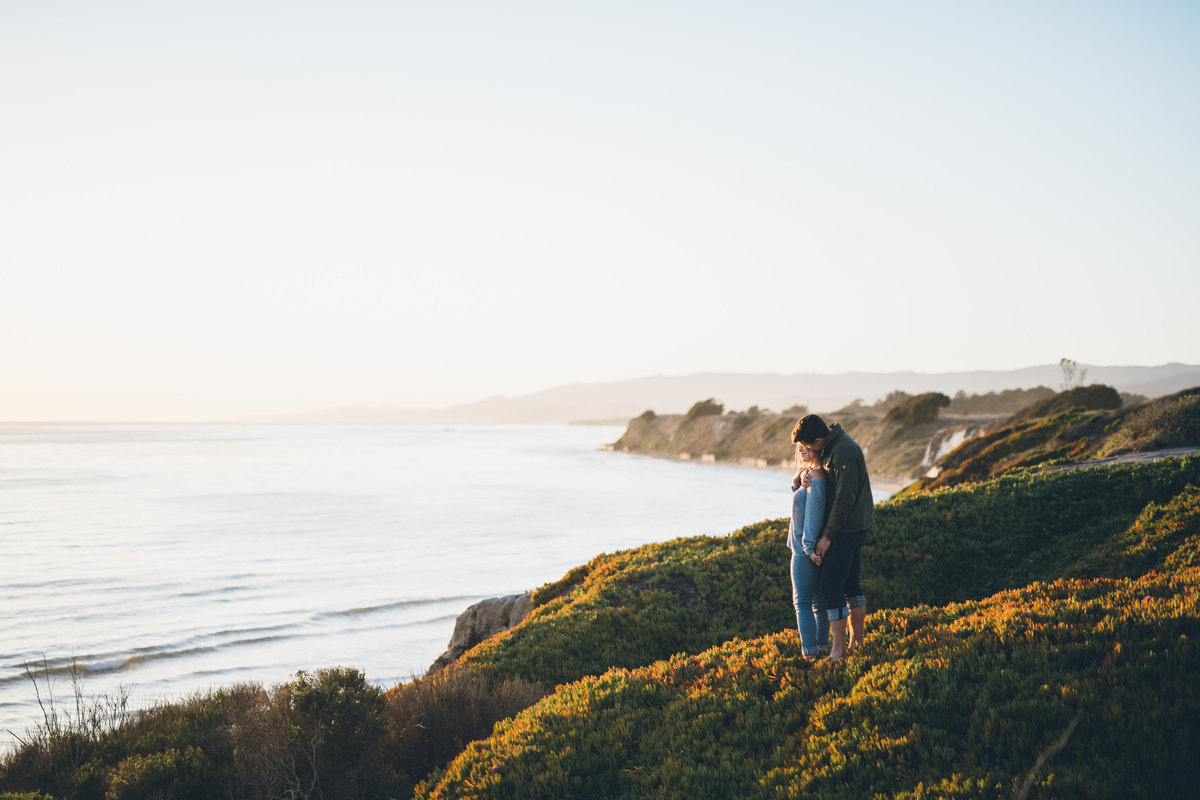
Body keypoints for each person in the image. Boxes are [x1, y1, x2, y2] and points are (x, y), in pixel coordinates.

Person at [792, 413, 874, 661]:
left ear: (818, 439)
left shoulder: (843, 450)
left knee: (830, 586)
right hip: (849, 527)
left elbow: (844, 499)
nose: (805, 449)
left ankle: (838, 650)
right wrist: (802, 476)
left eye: (808, 444)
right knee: (850, 586)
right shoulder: (831, 448)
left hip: (847, 529)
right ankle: (855, 644)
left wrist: (825, 537)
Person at [787, 442, 831, 658]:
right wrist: (796, 483)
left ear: (817, 445)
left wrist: (807, 548)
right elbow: (806, 508)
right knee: (818, 603)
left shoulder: (816, 477)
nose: (801, 449)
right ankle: (821, 649)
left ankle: (810, 655)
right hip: (810, 548)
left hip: (805, 551)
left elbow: (813, 516)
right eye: (798, 446)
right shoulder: (813, 474)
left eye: (805, 444)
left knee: (803, 603)